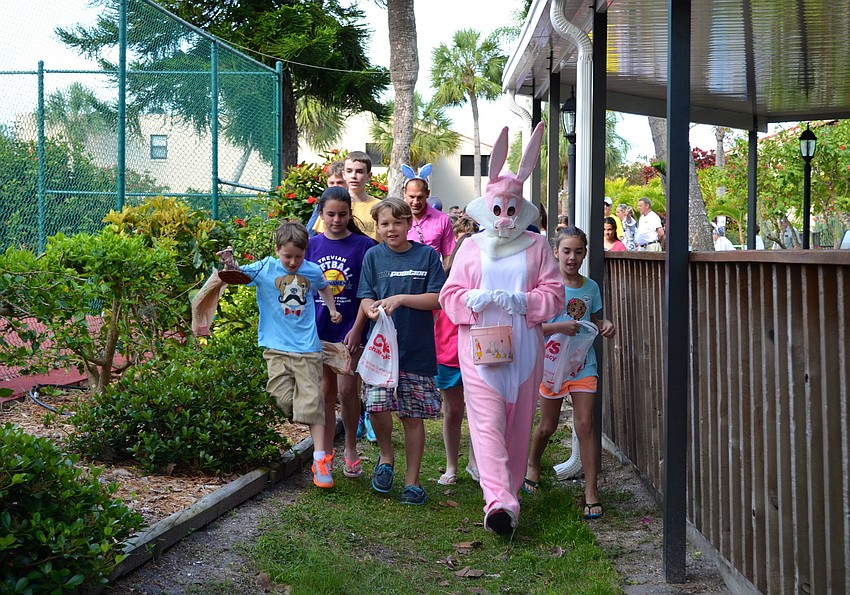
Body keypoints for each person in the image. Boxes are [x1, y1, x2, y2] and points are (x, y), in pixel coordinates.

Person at [439, 123, 564, 535]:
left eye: (512, 209)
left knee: (517, 422)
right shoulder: (471, 247)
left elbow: (554, 292)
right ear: (487, 206)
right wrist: (469, 303)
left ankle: (508, 501)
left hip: (525, 348)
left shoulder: (538, 245)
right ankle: (500, 503)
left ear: (521, 208)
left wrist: (524, 302)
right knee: (487, 423)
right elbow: (449, 294)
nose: (505, 218)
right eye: (498, 209)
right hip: (480, 346)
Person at [234, 221, 342, 488]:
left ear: (305, 252)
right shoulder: (265, 268)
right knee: (281, 397)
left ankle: (321, 460)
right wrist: (228, 262)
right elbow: (236, 274)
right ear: (276, 250)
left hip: (307, 348)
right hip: (275, 346)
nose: (293, 261)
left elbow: (324, 286)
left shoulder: (312, 270)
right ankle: (303, 410)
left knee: (314, 404)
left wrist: (331, 309)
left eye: (299, 256)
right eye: (287, 256)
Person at [357, 197, 447, 505]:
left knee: (412, 416)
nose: (391, 229)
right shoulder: (373, 257)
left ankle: (413, 481)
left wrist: (402, 299)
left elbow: (438, 298)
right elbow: (366, 297)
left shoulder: (427, 257)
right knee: (377, 406)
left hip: (416, 349)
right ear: (378, 227)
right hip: (381, 352)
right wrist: (369, 311)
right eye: (384, 224)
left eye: (397, 222)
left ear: (410, 223)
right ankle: (385, 457)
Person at [524, 226, 616, 520]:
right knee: (547, 426)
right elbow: (533, 327)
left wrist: (606, 325)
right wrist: (558, 327)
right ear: (555, 253)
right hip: (552, 366)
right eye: (566, 251)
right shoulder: (546, 287)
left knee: (586, 424)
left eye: (578, 252)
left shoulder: (591, 288)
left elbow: (596, 319)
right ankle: (532, 465)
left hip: (583, 364)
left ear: (585, 253)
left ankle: (591, 491)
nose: (572, 257)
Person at [306, 186, 376, 479]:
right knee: (325, 391)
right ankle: (323, 453)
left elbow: (367, 293)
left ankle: (350, 447)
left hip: (350, 331)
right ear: (321, 214)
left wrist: (358, 330)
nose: (337, 220)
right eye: (331, 214)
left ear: (350, 214)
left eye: (342, 214)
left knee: (349, 391)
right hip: (318, 331)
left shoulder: (365, 246)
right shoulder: (310, 246)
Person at [436, 221, 480, 486]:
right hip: (449, 358)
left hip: (478, 357)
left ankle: (476, 463)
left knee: (478, 411)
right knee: (453, 412)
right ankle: (451, 465)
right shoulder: (443, 286)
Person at [314, 151, 381, 241]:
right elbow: (323, 239)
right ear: (344, 174)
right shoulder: (332, 205)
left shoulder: (379, 206)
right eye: (349, 171)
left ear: (369, 176)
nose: (353, 176)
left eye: (359, 172)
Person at [401, 164, 455, 260]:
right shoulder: (397, 218)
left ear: (427, 194)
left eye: (420, 197)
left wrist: (443, 274)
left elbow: (448, 254)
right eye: (412, 197)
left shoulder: (442, 220)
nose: (416, 202)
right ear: (404, 193)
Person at [306, 161, 347, 237]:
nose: (335, 186)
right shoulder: (321, 205)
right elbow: (310, 233)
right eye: (332, 183)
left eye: (340, 183)